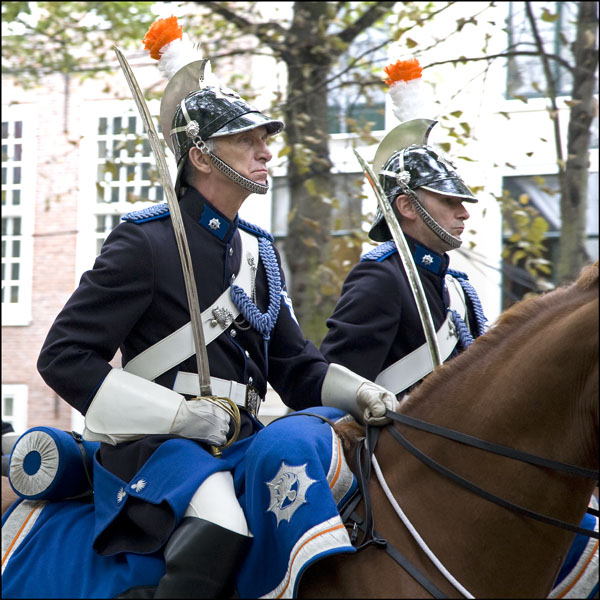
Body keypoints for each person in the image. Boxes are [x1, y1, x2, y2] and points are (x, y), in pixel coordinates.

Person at [35, 17, 396, 599]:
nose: (265, 151)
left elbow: (296, 369)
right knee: (222, 522)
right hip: (157, 449)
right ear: (201, 157)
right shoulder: (146, 242)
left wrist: (360, 394)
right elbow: (64, 359)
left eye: (265, 139)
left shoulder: (257, 250)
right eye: (247, 140)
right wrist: (180, 418)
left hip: (242, 437)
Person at [321, 59, 488, 396]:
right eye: (448, 201)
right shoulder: (381, 277)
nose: (463, 214)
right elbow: (336, 388)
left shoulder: (456, 287)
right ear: (407, 206)